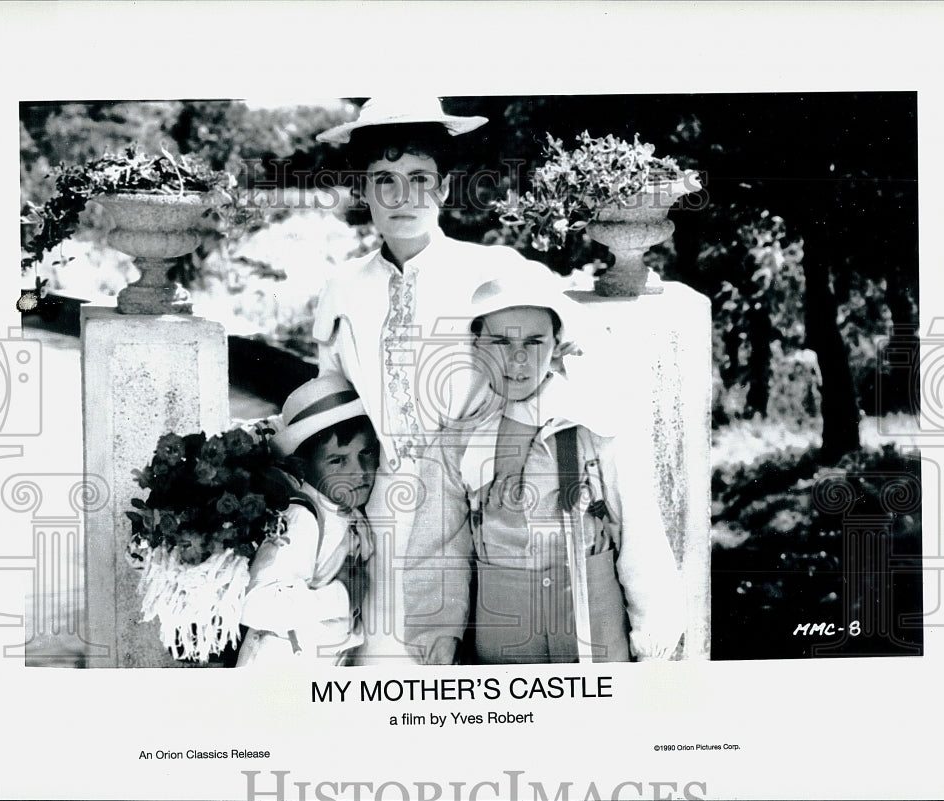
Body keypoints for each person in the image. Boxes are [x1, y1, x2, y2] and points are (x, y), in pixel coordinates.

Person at [313, 98, 560, 663]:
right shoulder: (343, 288)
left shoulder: (493, 272)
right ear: (363, 190)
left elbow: (558, 362)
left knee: (469, 670)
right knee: (380, 665)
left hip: (479, 501)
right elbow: (331, 403)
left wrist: (507, 455)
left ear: (445, 188)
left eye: (420, 178)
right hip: (376, 509)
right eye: (384, 180)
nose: (403, 198)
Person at [403, 272, 686, 664]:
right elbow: (438, 549)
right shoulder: (459, 445)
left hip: (595, 629)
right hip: (505, 638)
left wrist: (653, 633)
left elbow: (638, 531)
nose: (517, 359)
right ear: (476, 346)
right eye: (500, 342)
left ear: (556, 347)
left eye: (533, 342)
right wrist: (437, 636)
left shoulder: (595, 427)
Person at [236, 375, 379, 666]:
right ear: (304, 466)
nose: (359, 472)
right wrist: (343, 595)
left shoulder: (343, 509)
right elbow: (254, 605)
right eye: (338, 461)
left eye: (365, 454)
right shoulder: (302, 516)